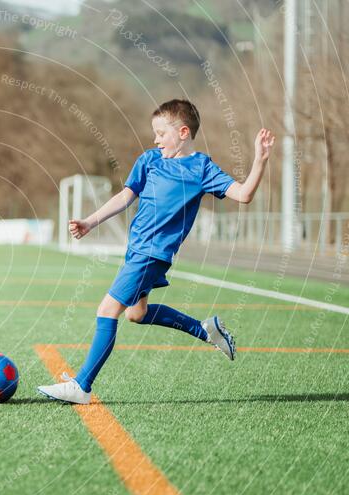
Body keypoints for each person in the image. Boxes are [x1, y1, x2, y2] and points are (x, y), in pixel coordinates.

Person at [37, 99, 276, 404]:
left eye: (161, 133)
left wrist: (260, 160)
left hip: (153, 254)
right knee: (137, 314)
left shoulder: (201, 168)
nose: (156, 139)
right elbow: (125, 197)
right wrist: (89, 222)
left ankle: (82, 386)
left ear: (184, 132)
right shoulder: (149, 160)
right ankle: (206, 330)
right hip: (135, 250)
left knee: (107, 310)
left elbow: (243, 195)